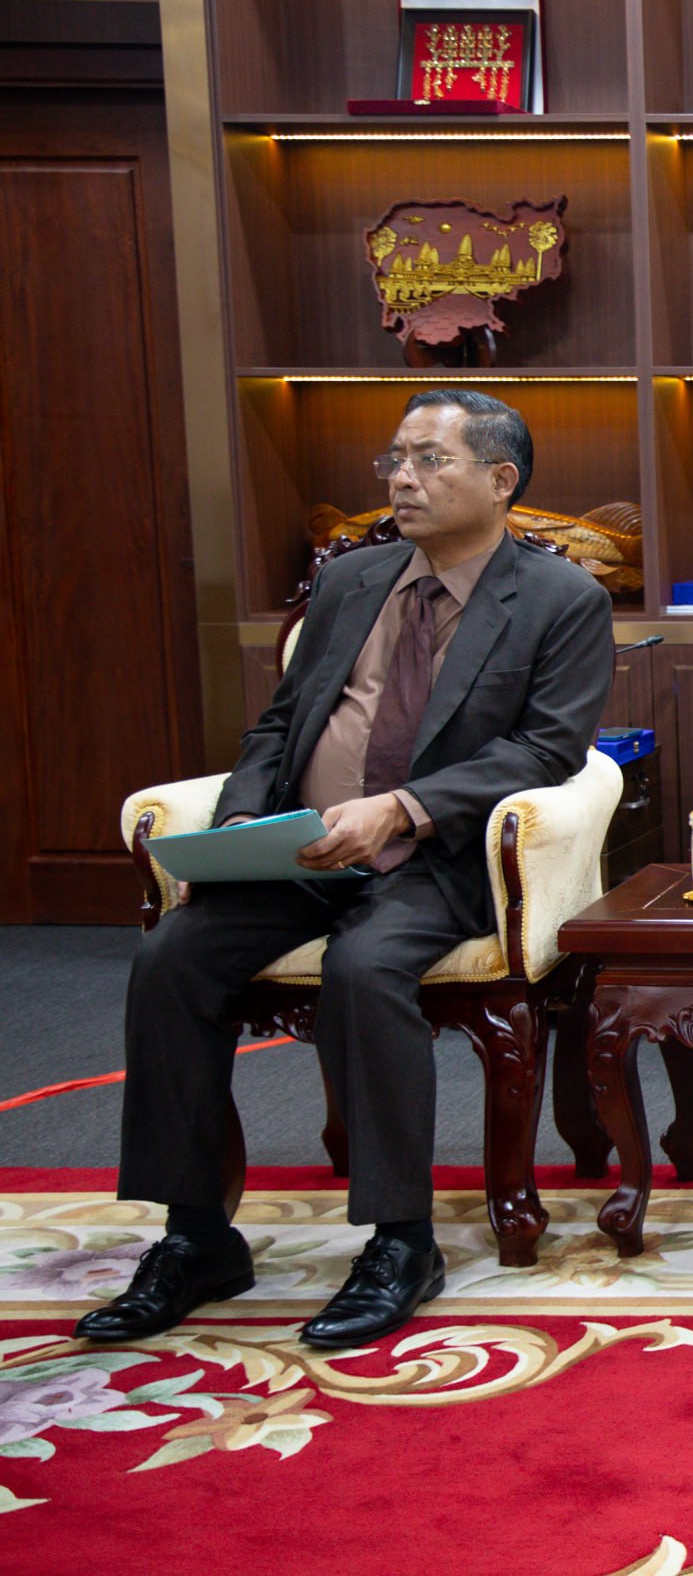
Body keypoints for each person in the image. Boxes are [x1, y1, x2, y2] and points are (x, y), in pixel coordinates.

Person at [80, 389, 613, 1349]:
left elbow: (546, 750)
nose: (403, 478)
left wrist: (402, 808)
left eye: (430, 460)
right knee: (170, 960)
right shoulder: (351, 582)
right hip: (298, 853)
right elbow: (282, 723)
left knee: (365, 969)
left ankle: (401, 1241)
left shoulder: (559, 600)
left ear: (501, 479)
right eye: (395, 460)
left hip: (434, 860)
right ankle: (196, 1237)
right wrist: (242, 826)